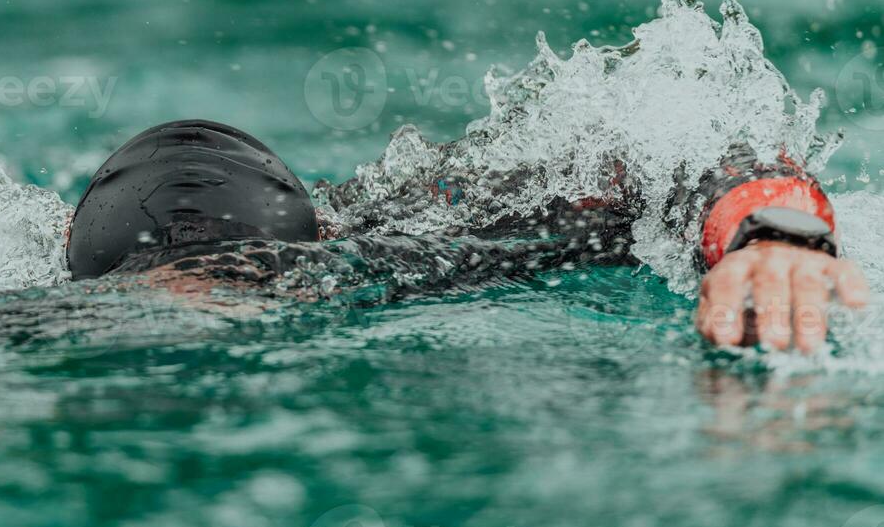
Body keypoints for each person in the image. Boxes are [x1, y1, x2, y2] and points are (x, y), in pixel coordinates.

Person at [65, 120, 869, 353]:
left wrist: (769, 234)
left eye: (247, 286)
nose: (200, 326)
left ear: (318, 247)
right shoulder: (20, 314)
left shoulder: (448, 231)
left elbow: (688, 143)